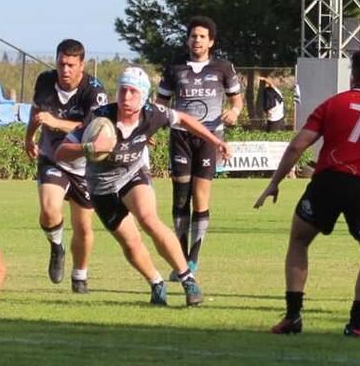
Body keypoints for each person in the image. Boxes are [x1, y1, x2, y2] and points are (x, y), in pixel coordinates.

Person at [254, 48, 360, 337]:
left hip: (327, 183)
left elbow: (297, 145)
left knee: (299, 241)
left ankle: (293, 317)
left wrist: (274, 182)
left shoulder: (333, 104)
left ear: (352, 76)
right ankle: (356, 324)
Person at [56, 67, 231, 306]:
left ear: (144, 96)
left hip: (132, 175)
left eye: (133, 92)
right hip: (101, 187)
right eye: (122, 90)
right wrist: (89, 148)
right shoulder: (99, 118)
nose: (126, 97)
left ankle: (188, 280)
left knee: (149, 219)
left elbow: (185, 119)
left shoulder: (153, 114)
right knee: (130, 241)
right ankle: (156, 283)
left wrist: (215, 141)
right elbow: (60, 152)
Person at [156, 15, 244, 302]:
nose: (197, 40)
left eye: (202, 36)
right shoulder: (174, 68)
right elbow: (161, 103)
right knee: (181, 198)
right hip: (180, 137)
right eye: (193, 36)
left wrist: (235, 112)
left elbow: (236, 100)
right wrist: (149, 128)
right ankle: (179, 258)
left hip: (209, 138)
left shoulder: (222, 68)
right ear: (188, 39)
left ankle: (193, 259)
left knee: (201, 196)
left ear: (211, 42)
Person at [25, 38, 109, 294]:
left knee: (83, 226)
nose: (66, 70)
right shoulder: (44, 81)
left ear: (82, 65)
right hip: (53, 158)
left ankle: (79, 276)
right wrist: (29, 137)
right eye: (62, 64)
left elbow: (92, 130)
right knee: (50, 210)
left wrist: (56, 122)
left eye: (72, 65)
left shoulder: (95, 90)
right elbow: (37, 112)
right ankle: (56, 245)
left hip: (85, 164)